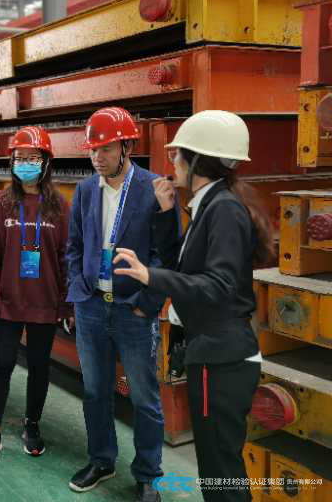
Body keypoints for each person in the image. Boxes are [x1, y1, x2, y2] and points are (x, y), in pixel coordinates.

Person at [114, 110, 271, 502]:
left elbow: (218, 285)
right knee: (216, 465)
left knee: (220, 470)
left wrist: (150, 277)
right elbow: (184, 268)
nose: (173, 162)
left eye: (178, 154)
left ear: (198, 160)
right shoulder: (208, 204)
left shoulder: (224, 210)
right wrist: (166, 214)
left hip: (221, 358)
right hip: (214, 352)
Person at [66, 107, 167, 502]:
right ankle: (102, 459)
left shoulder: (152, 189)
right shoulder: (86, 190)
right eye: (93, 150)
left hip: (132, 309)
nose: (97, 157)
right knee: (95, 391)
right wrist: (79, 289)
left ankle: (148, 475)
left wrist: (147, 304)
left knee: (144, 397)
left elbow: (164, 254)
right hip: (92, 306)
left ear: (127, 146)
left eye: (105, 149)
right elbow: (75, 246)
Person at [0, 125, 69, 467]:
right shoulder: (0, 203)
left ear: (45, 162)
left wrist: (65, 303)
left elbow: (66, 257)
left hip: (45, 302)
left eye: (33, 158)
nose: (25, 164)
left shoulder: (59, 206)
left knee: (39, 367)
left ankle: (32, 423)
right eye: (19, 158)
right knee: (1, 366)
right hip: (8, 303)